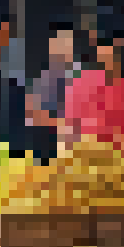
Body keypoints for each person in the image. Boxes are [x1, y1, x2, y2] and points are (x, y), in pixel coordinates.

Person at [62, 29, 124, 151]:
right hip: (86, 147)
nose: (108, 58)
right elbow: (72, 121)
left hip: (121, 150)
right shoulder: (84, 82)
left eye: (114, 52)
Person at [26, 21, 83, 158]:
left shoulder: (83, 75)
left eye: (67, 43)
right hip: (49, 144)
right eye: (58, 43)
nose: (62, 48)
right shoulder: (44, 76)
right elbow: (31, 115)